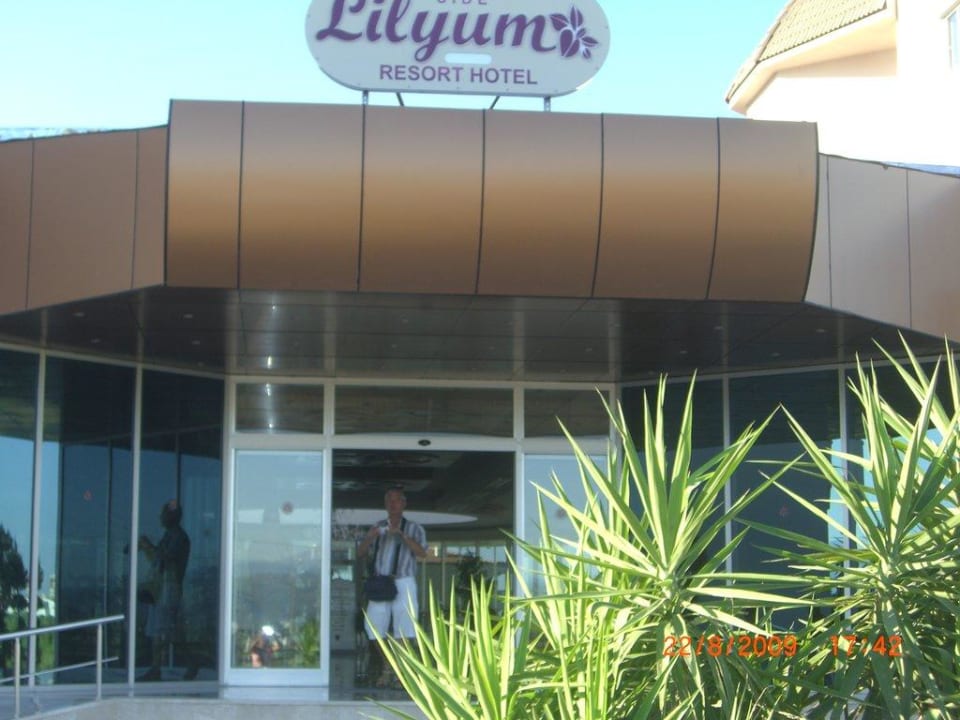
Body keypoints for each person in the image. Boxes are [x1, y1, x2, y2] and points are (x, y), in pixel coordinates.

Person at [357, 486, 427, 688]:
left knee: (404, 628)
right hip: (381, 582)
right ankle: (391, 667)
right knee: (373, 627)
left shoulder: (414, 528)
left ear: (404, 503)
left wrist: (402, 535)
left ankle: (397, 673)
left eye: (396, 500)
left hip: (404, 580)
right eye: (389, 500)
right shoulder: (378, 527)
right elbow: (360, 553)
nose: (392, 504)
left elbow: (422, 553)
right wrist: (370, 537)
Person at [138, 499, 191, 681]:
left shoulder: (179, 538)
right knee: (159, 630)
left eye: (164, 514)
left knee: (167, 630)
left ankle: (189, 662)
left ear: (171, 517)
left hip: (169, 588)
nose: (160, 517)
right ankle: (157, 667)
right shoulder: (169, 536)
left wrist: (148, 546)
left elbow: (167, 560)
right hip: (160, 588)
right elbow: (157, 560)